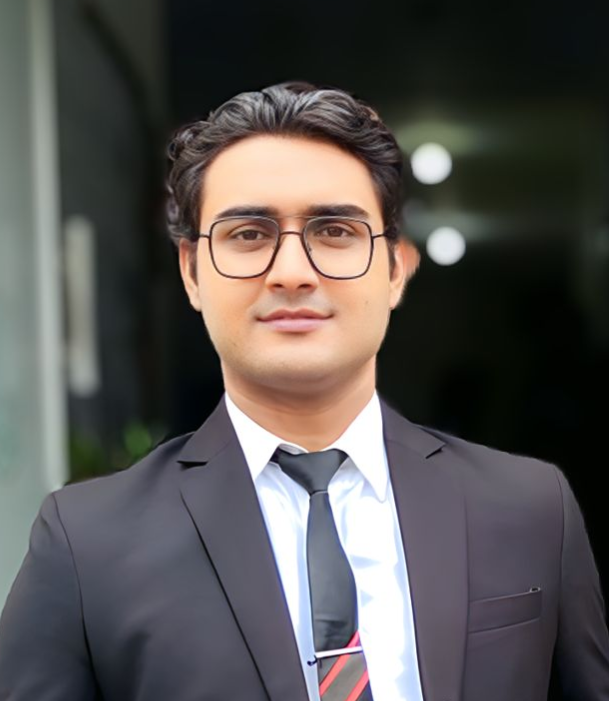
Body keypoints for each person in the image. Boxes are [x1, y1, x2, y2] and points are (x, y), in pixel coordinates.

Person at [0, 82, 608, 701]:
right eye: (248, 235)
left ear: (396, 268)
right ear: (191, 272)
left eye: (335, 230)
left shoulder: (530, 510)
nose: (291, 273)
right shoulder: (86, 545)